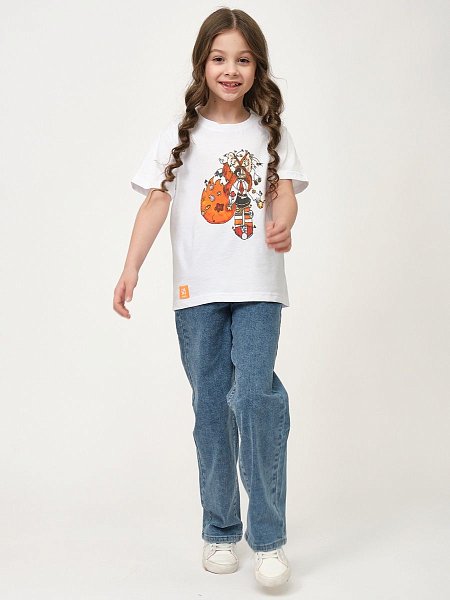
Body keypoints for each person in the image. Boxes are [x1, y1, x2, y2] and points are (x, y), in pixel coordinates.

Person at [113, 7, 309, 589]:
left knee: (253, 398)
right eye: (219, 58)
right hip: (197, 294)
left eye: (243, 60)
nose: (231, 70)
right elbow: (155, 203)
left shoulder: (271, 133)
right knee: (210, 409)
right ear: (202, 63)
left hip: (258, 291)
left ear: (257, 68)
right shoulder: (179, 137)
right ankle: (220, 529)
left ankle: (268, 539)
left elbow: (286, 194)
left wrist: (283, 222)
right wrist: (131, 267)